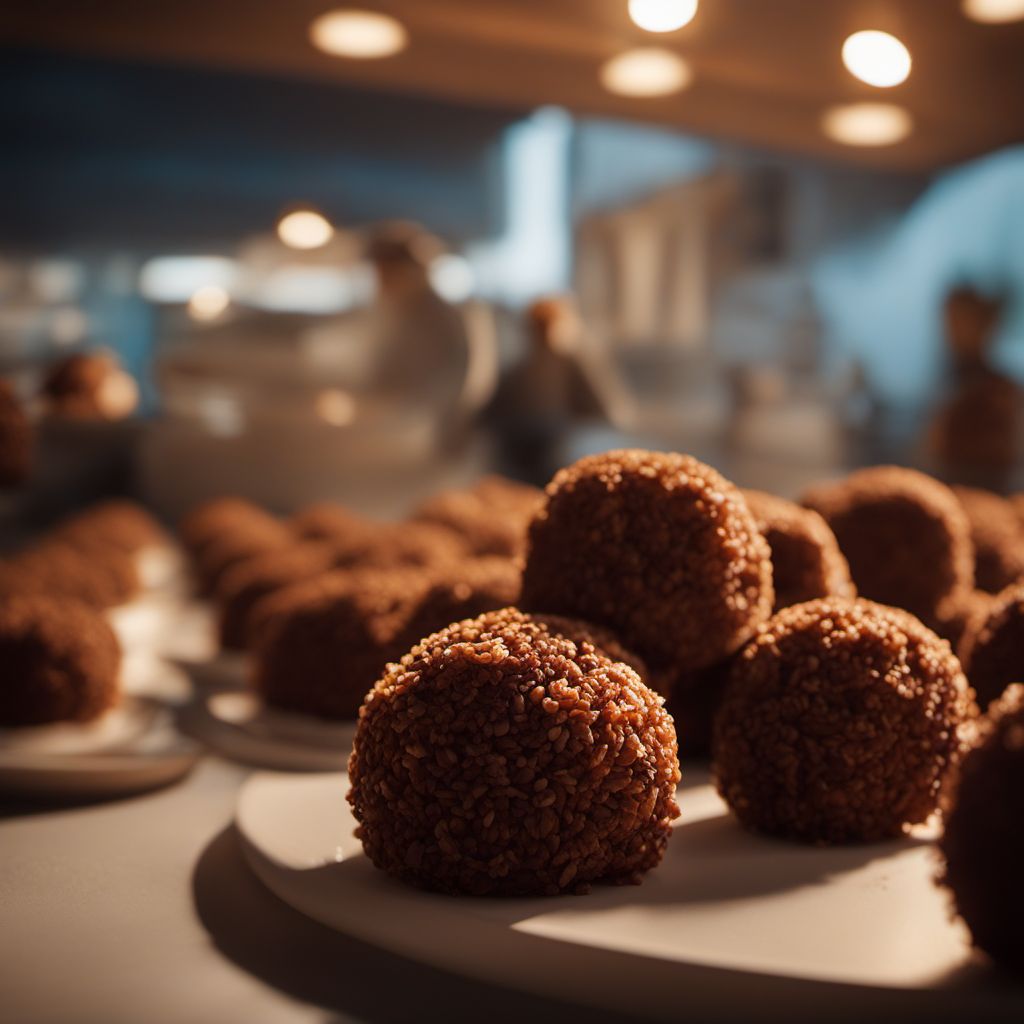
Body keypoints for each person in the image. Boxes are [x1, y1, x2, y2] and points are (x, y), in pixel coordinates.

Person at [927, 285, 1020, 490]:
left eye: (961, 320)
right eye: (949, 321)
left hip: (988, 491)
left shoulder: (1000, 391)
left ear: (985, 325)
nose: (951, 330)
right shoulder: (949, 380)